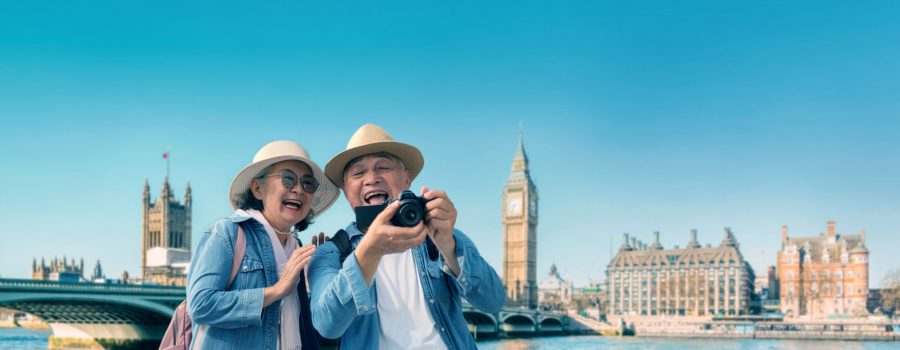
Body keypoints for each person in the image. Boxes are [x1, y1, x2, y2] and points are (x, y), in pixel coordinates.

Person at [309, 124, 505, 349]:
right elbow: (326, 325)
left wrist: (449, 247)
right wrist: (370, 250)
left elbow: (493, 301)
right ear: (345, 189)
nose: (372, 178)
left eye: (383, 167)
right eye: (358, 172)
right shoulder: (330, 252)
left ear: (407, 179)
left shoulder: (440, 234)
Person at [187, 140, 340, 349]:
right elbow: (201, 306)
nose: (299, 189)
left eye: (308, 183)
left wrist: (322, 276)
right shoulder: (227, 233)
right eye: (288, 179)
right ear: (258, 189)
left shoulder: (297, 247)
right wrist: (276, 290)